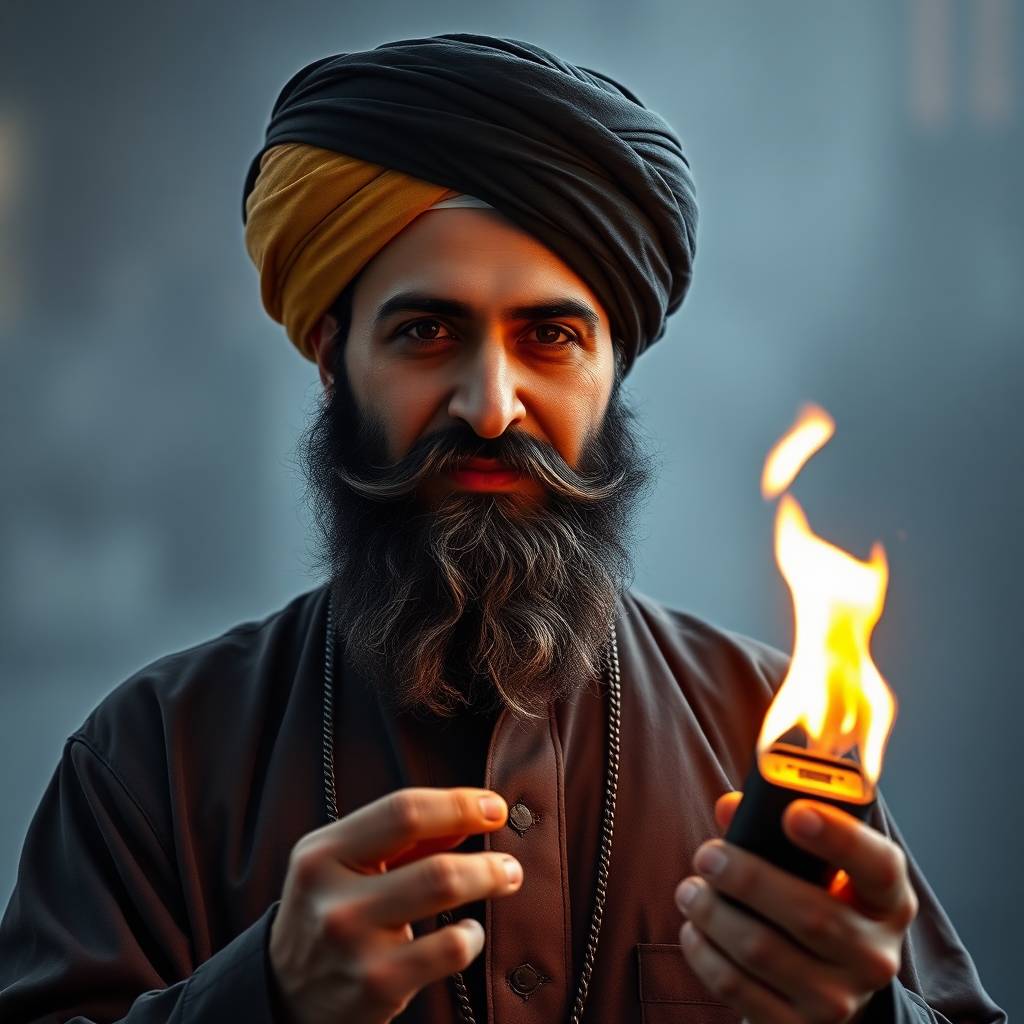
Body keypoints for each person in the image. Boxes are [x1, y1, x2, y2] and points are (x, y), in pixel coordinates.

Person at [0, 34, 1003, 1024]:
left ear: (615, 372)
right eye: (426, 331)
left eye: (551, 338)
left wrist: (870, 1016)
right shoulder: (152, 756)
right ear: (328, 357)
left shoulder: (777, 734)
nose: (490, 404)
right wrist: (263, 997)